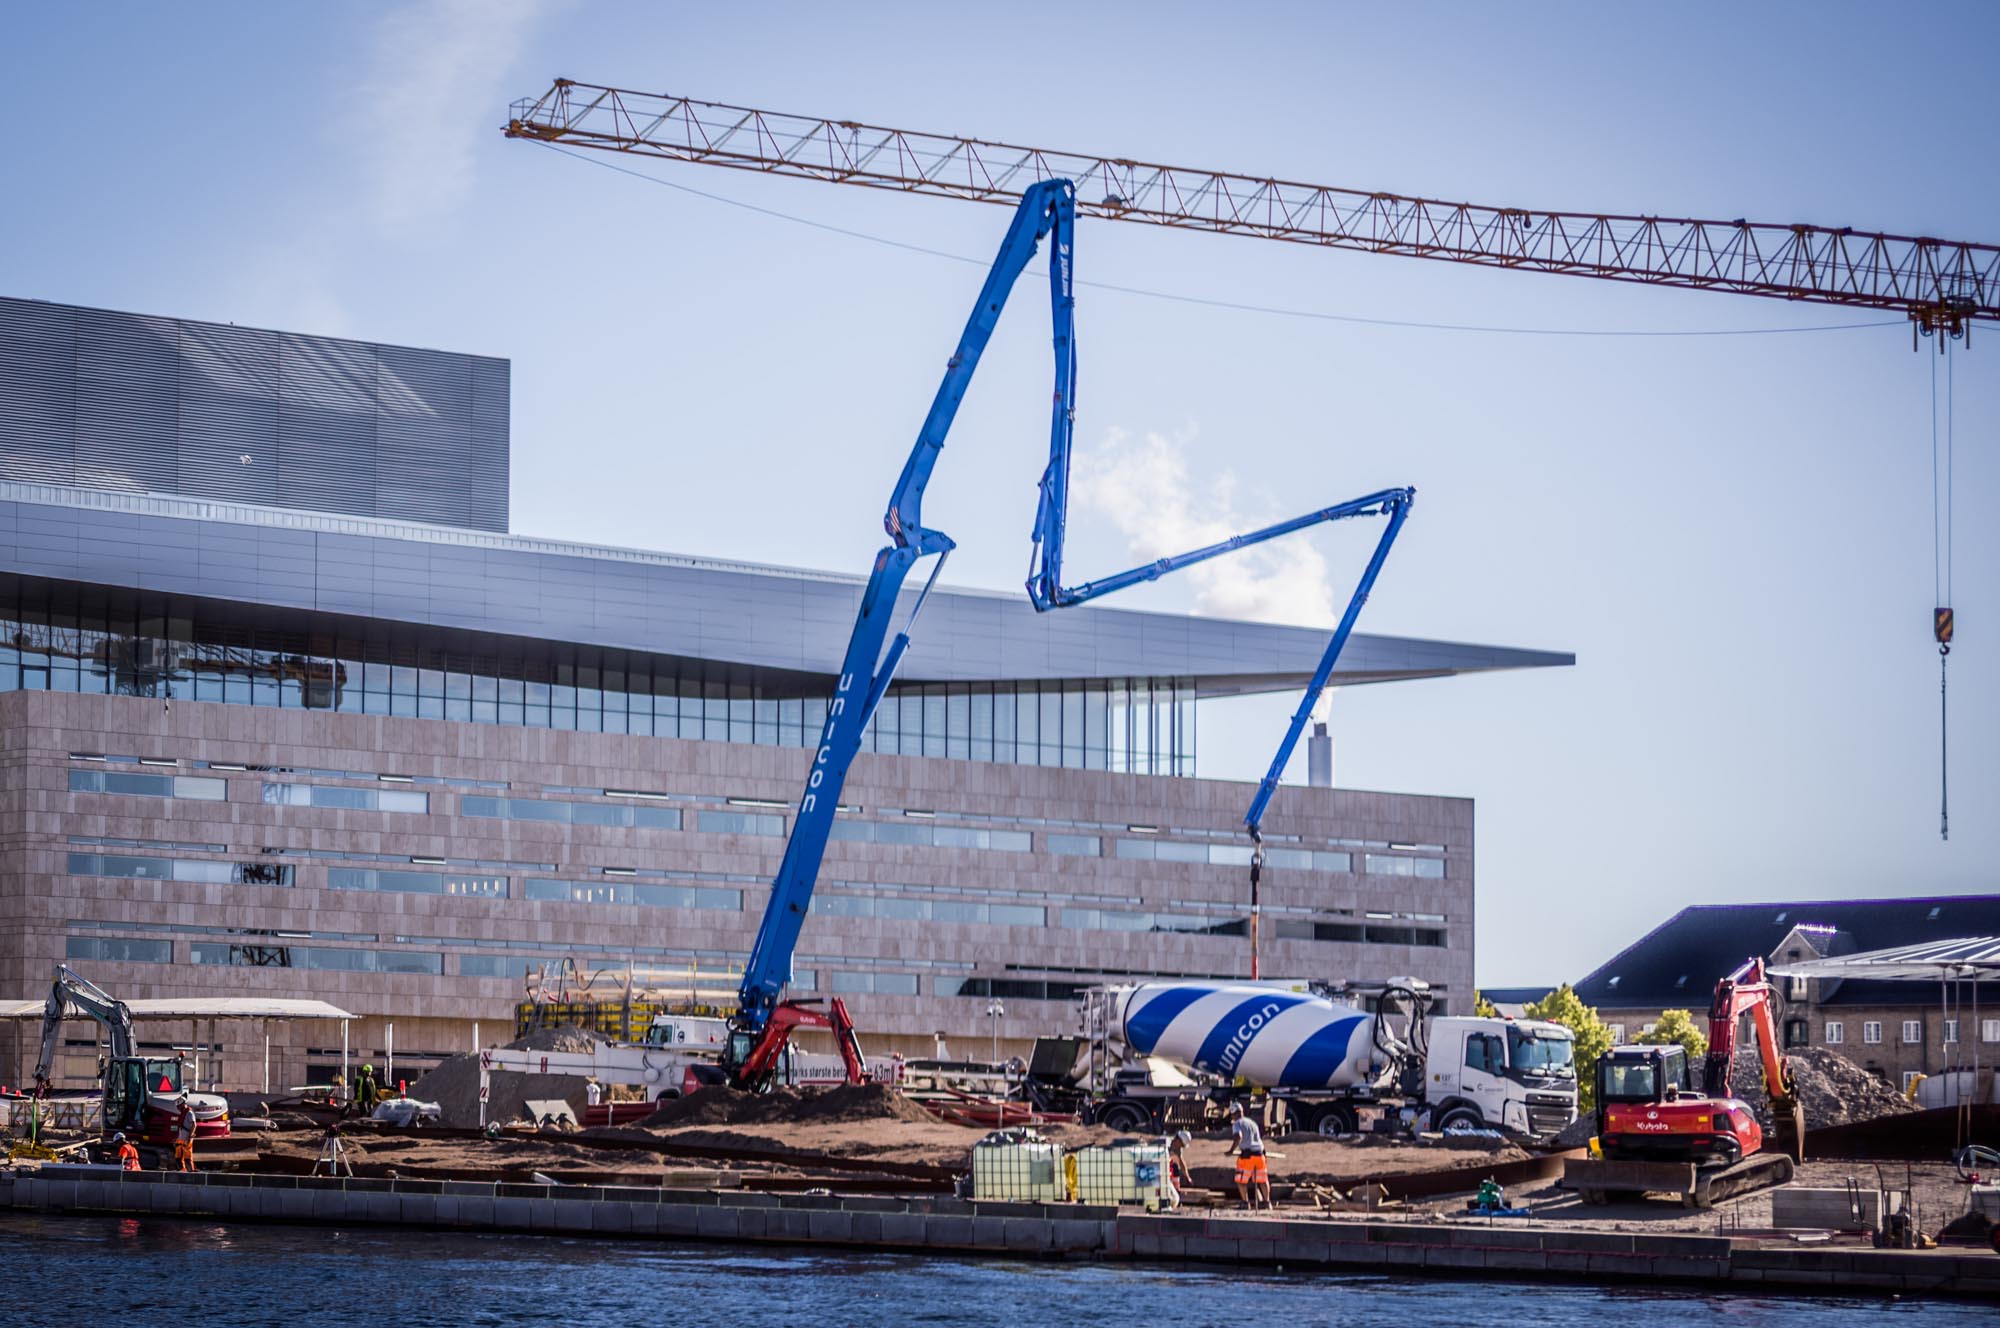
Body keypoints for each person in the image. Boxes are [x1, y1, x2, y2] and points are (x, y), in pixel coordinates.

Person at [1227, 1102, 1272, 1211]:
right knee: (1262, 1180)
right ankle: (1267, 1203)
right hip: (1260, 1154)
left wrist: (1231, 1150)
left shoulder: (1237, 1124)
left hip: (1248, 1156)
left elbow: (1238, 1136)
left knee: (1241, 1180)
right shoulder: (1252, 1122)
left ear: (1234, 1113)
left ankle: (1245, 1203)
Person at [173, 1093, 198, 1173]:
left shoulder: (189, 1113)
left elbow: (194, 1125)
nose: (178, 1109)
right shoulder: (182, 1113)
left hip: (186, 1139)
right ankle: (182, 1171)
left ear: (183, 1104)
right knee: (178, 1158)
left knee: (187, 1158)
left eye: (179, 1107)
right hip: (180, 1139)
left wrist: (190, 1137)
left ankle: (191, 1172)